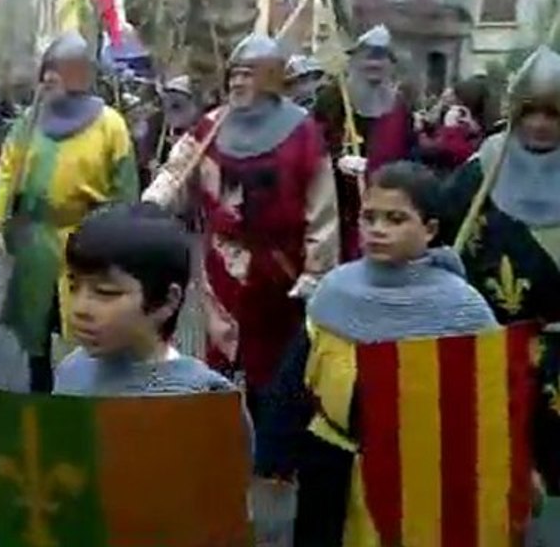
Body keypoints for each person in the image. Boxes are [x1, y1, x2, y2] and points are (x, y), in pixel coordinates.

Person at [256, 161, 497, 546]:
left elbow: (492, 400)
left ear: (430, 229)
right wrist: (275, 455)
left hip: (420, 473)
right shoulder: (335, 292)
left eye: (396, 219)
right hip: (331, 466)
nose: (378, 229)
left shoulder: (461, 309)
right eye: (369, 218)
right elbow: (294, 380)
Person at [144, 33, 339, 418]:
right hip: (222, 261)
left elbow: (321, 207)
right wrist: (153, 202)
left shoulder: (303, 132)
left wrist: (317, 272)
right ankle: (222, 428)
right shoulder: (212, 125)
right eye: (234, 74)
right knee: (221, 354)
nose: (237, 82)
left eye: (247, 74)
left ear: (270, 77)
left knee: (275, 364)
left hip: (280, 268)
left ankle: (269, 436)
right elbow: (178, 169)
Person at [0, 32, 140, 394]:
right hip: (36, 242)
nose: (48, 79)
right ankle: (41, 399)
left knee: (89, 330)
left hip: (89, 241)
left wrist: (120, 239)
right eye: (46, 71)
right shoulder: (29, 121)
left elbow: (125, 189)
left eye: (56, 71)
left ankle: (88, 397)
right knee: (36, 333)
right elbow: (7, 172)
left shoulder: (110, 124)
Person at [443, 46, 560, 493]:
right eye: (531, 112)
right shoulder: (480, 172)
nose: (540, 125)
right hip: (488, 351)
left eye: (553, 114)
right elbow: (439, 231)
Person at [55, 202, 246, 399]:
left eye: (105, 292)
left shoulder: (204, 395)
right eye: (73, 287)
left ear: (167, 301)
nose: (80, 308)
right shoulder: (72, 370)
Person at [314, 25, 416, 260]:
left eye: (381, 58)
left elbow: (410, 153)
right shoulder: (333, 98)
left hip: (385, 198)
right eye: (369, 57)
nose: (374, 64)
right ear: (356, 61)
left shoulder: (399, 106)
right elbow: (314, 142)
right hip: (339, 202)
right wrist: (336, 160)